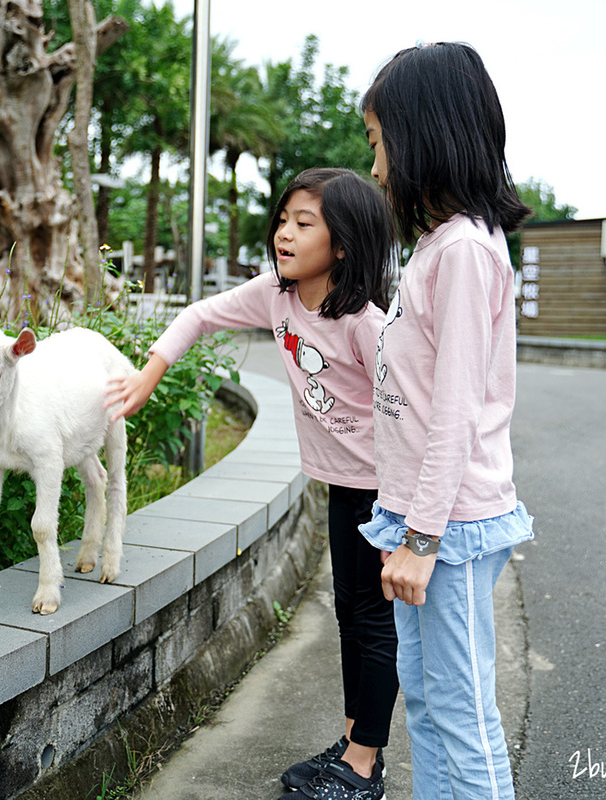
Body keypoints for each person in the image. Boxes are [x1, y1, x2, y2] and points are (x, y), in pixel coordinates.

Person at [106, 168, 397, 800]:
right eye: (283, 219)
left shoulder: (365, 325)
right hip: (344, 484)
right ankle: (354, 742)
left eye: (304, 223)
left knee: (371, 623)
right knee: (350, 614)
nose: (284, 234)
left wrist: (416, 516)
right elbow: (198, 316)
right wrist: (148, 374)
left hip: (385, 491)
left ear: (342, 244)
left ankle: (366, 765)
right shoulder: (276, 295)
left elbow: (414, 413)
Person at [359, 42, 535, 800]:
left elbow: (457, 412)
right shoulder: (438, 247)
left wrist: (423, 541)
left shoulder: (464, 251)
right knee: (428, 705)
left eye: (378, 143)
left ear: (422, 135)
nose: (374, 168)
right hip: (421, 521)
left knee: (462, 715)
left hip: (449, 531)